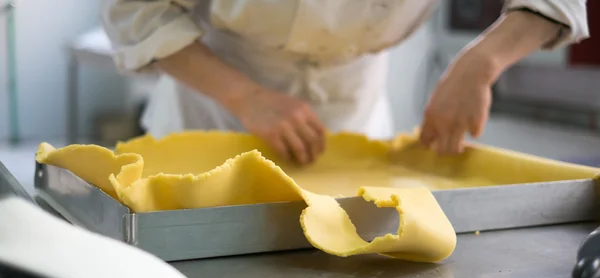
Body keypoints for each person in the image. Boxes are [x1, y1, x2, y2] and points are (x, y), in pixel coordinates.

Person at [101, 1, 588, 164]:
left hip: (353, 111)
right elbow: (137, 12)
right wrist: (243, 95)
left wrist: (481, 62)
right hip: (213, 105)